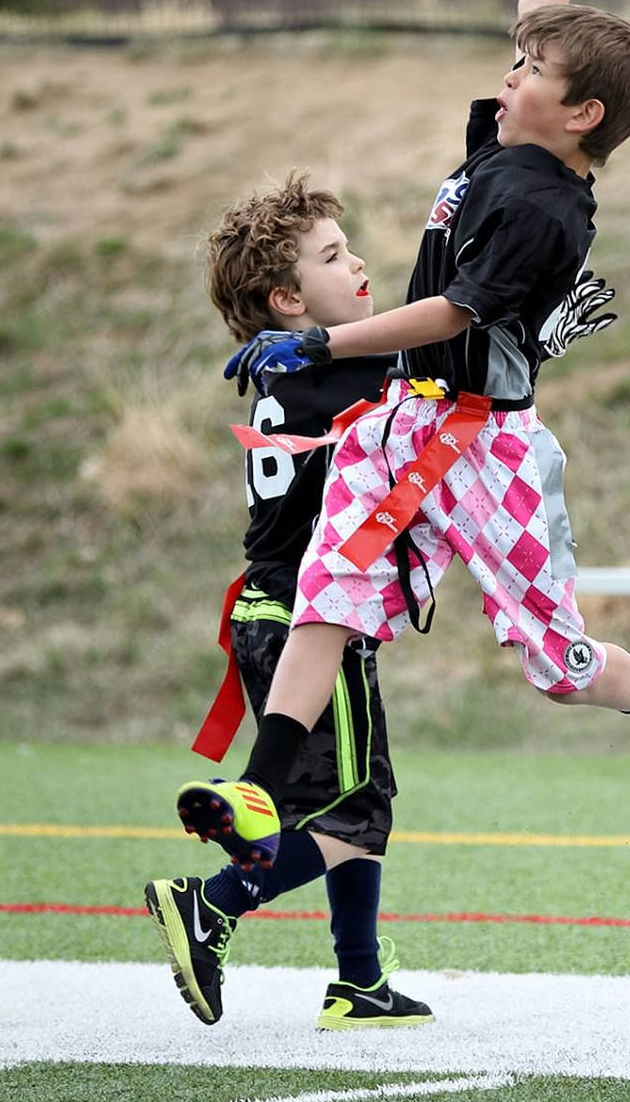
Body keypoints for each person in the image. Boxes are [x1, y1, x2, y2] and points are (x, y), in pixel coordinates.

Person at [172, 0, 630, 904]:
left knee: (557, 666)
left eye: (532, 69)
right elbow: (540, 12)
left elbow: (446, 313)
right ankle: (258, 790)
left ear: (580, 114)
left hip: (487, 446)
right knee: (328, 596)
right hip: (400, 424)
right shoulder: (515, 133)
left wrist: (323, 338)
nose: (513, 65)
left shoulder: (546, 206)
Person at [147, 172, 433, 1030]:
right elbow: (444, 346)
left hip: (266, 614)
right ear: (288, 301)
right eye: (334, 257)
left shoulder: (297, 376)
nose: (361, 267)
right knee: (354, 809)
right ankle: (216, 904)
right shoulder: (345, 373)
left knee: (357, 795)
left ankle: (361, 981)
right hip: (312, 622)